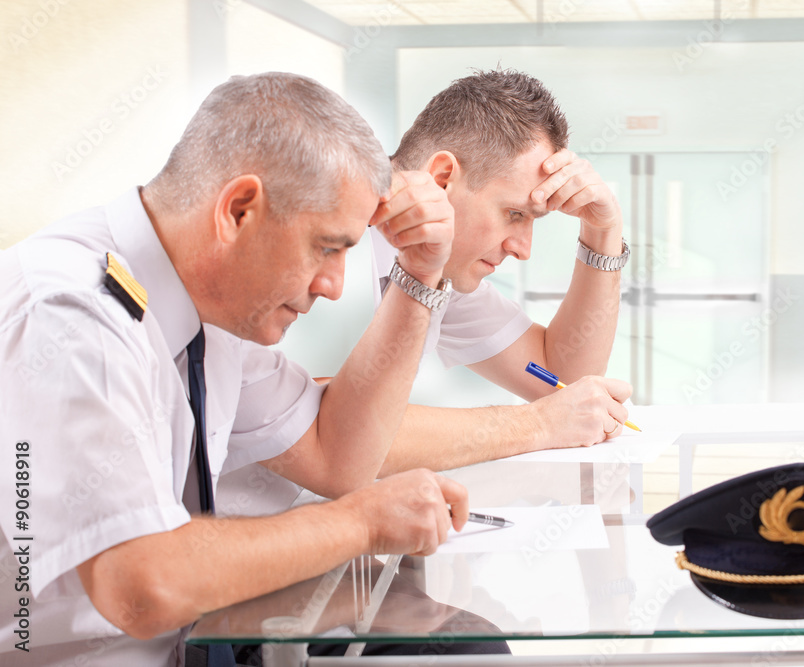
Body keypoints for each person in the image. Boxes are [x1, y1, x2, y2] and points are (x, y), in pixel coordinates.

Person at [0, 72, 476, 666]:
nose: (333, 286)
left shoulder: (207, 313)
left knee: (461, 641)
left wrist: (419, 275)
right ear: (239, 210)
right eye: (327, 248)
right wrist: (362, 524)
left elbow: (339, 457)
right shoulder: (71, 316)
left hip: (190, 645)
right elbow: (142, 586)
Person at [375, 68, 634, 473]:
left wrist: (603, 232)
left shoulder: (440, 268)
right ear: (442, 180)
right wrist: (538, 424)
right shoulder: (331, 246)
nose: (523, 249)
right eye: (514, 213)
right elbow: (340, 431)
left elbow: (560, 379)